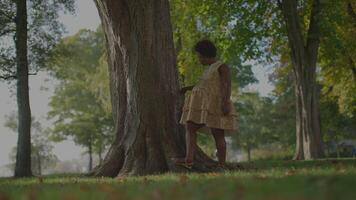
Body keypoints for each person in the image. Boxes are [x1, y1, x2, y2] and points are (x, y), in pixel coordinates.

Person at [173, 39, 238, 169]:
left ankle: (221, 164)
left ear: (205, 55)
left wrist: (225, 102)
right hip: (203, 106)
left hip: (216, 105)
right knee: (190, 126)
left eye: (199, 56)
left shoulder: (221, 66)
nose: (198, 59)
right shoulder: (208, 69)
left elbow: (226, 85)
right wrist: (188, 88)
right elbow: (205, 86)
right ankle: (189, 160)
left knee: (218, 133)